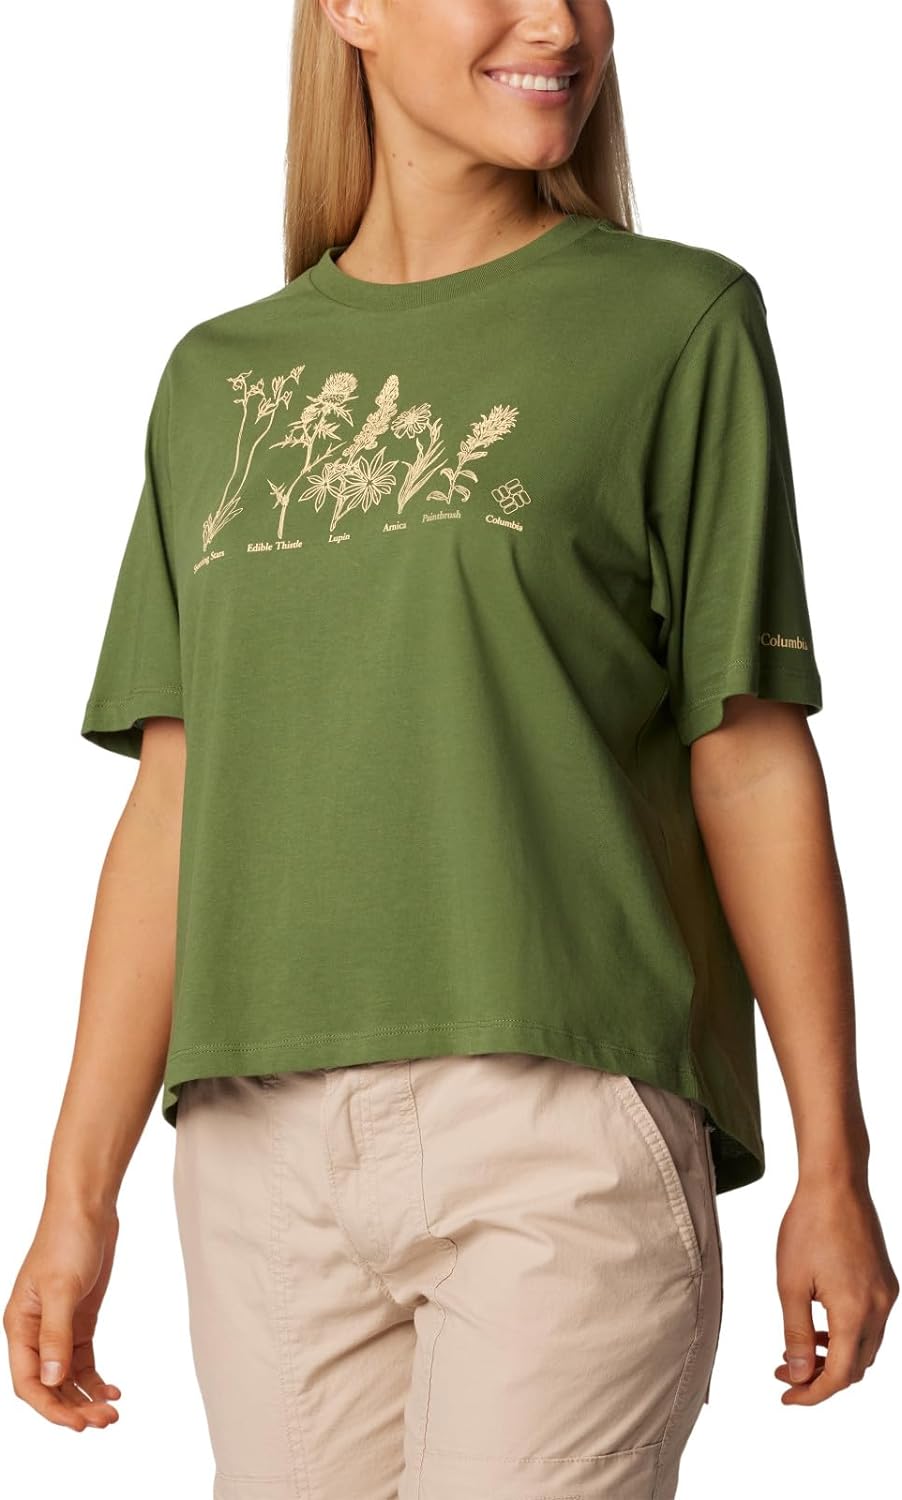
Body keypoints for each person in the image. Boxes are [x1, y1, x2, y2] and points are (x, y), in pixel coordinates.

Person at [4, 2, 898, 1496]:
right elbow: (175, 801)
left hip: (557, 1126)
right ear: (350, 10)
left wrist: (834, 1163)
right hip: (257, 1150)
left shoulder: (673, 323)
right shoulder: (219, 378)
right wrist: (73, 1194)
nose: (558, 21)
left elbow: (745, 756)